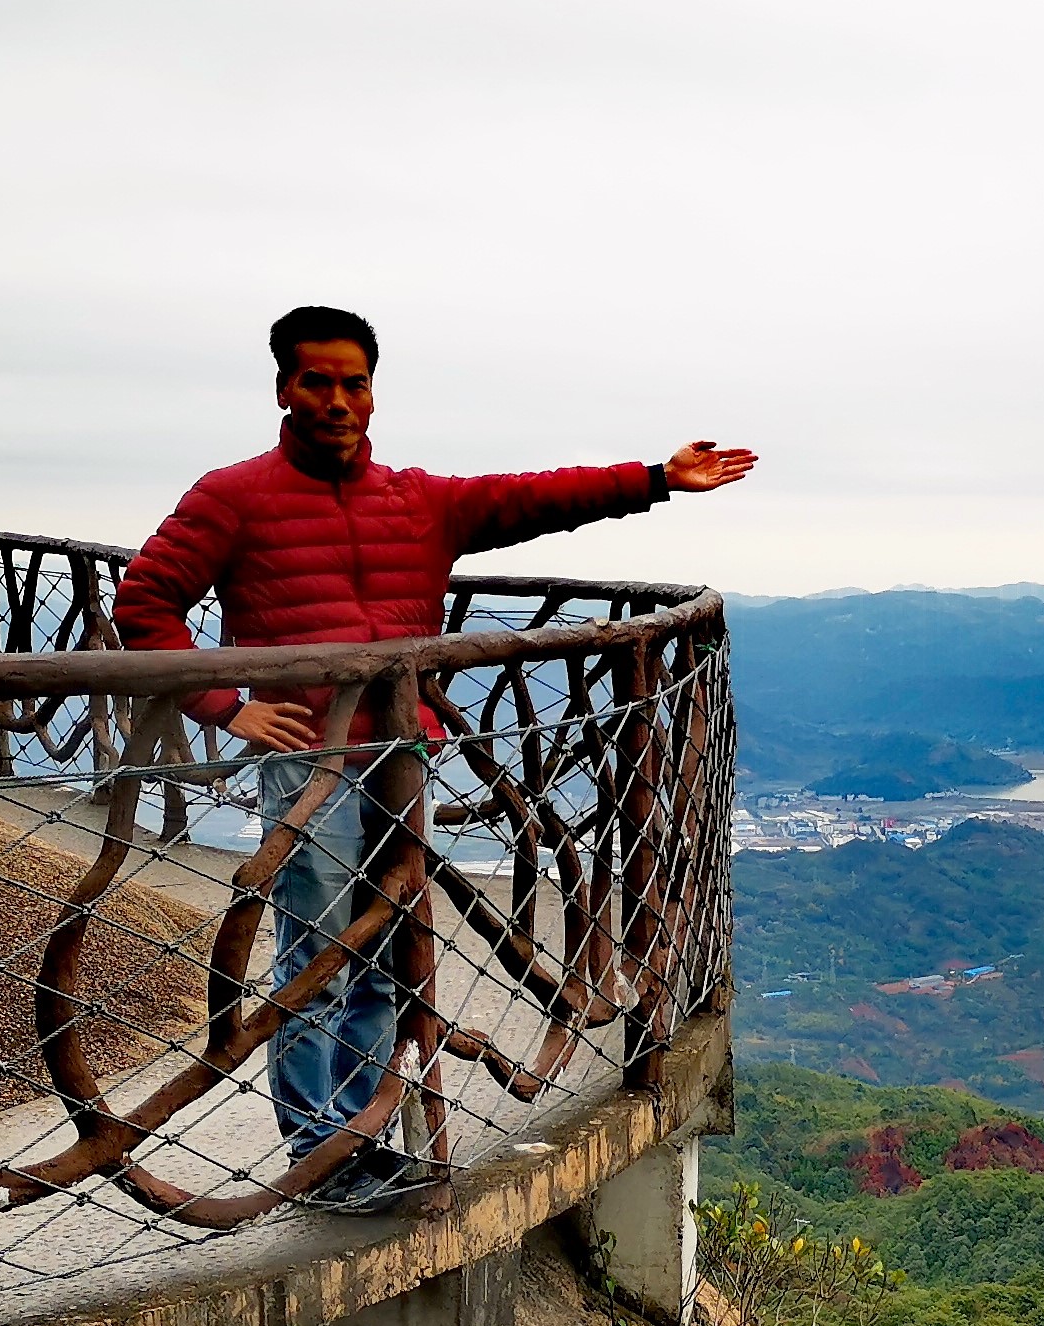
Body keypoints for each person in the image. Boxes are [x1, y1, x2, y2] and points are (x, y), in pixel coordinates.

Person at [115, 305, 754, 1208]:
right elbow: (144, 604)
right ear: (284, 390)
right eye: (318, 382)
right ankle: (319, 1154)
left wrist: (656, 477)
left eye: (355, 382)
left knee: (387, 947)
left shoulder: (417, 501)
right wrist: (229, 706)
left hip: (403, 751)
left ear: (373, 391)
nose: (338, 401)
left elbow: (536, 497)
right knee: (317, 950)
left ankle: (363, 1133)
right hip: (311, 760)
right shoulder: (233, 496)